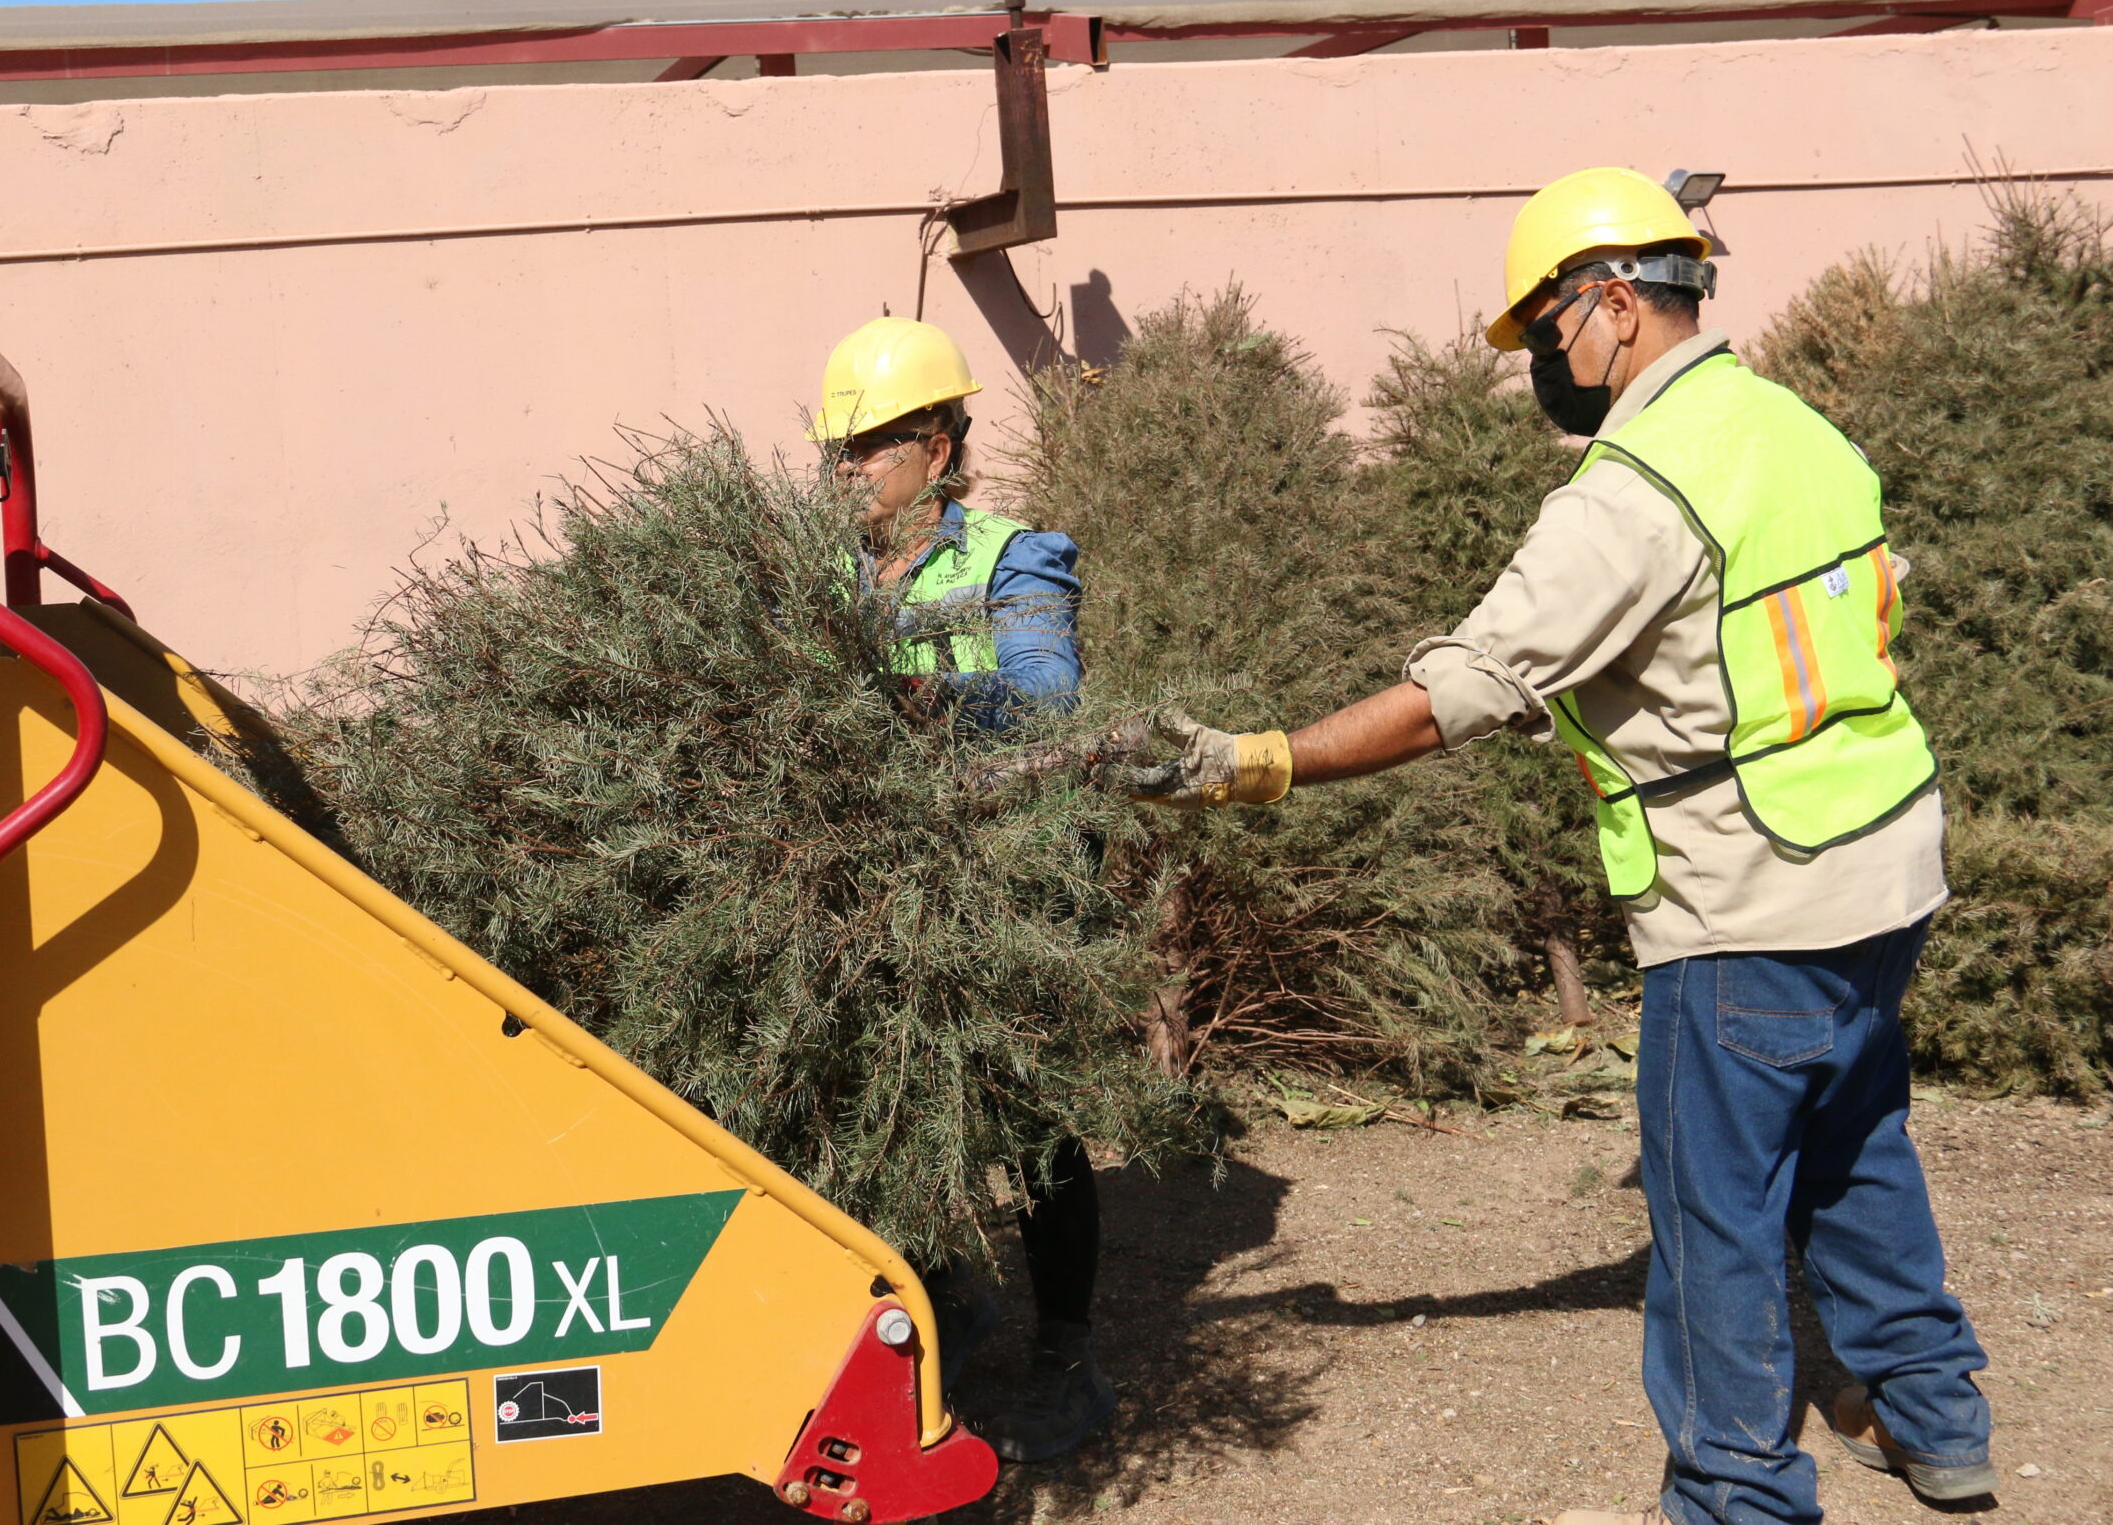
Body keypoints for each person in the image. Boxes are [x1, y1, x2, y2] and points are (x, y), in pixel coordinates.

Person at [1107, 169, 1994, 1525]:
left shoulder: (1630, 494)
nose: (1539, 361)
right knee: (1858, 1141)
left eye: (1543, 330)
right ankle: (1937, 1421)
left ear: (1617, 303)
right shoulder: (1797, 426)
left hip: (1744, 894)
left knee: (1714, 1219)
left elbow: (1456, 693)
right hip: (1884, 863)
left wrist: (1255, 760)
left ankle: (1737, 1495)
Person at [813, 316, 1111, 1462]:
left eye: (869, 446)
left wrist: (919, 696)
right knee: (881, 1092)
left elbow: (1044, 699)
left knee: (1029, 1116)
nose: (847, 469)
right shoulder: (827, 571)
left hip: (1009, 876)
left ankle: (1068, 1361)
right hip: (882, 877)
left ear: (937, 447)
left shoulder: (1013, 558)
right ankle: (942, 1298)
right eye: (837, 449)